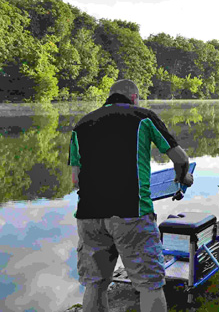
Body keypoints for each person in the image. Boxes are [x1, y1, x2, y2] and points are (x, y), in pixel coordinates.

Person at [69, 79, 193, 312]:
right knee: (150, 284)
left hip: (88, 216)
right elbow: (181, 159)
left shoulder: (81, 125)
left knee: (95, 284)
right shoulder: (143, 116)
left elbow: (76, 180)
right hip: (132, 213)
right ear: (134, 97)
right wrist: (183, 178)